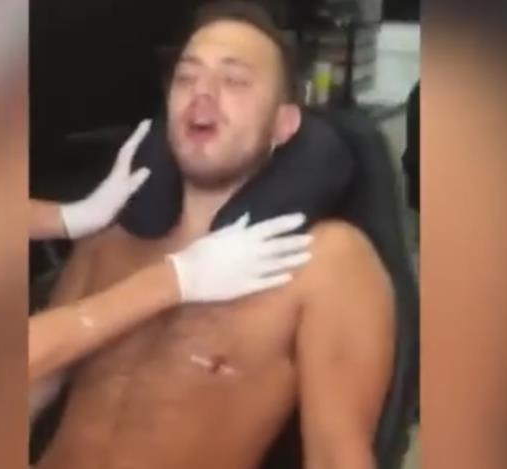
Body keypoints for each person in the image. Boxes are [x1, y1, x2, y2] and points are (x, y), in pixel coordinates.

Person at [34, 3, 394, 469]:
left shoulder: (324, 263)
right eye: (186, 78)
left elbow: (337, 458)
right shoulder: (109, 235)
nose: (201, 93)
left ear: (283, 124)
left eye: (235, 80)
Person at [29, 122, 315, 414]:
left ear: (284, 123)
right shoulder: (106, 242)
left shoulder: (318, 262)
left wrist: (66, 218)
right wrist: (173, 280)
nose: (204, 99)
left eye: (237, 90)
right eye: (185, 87)